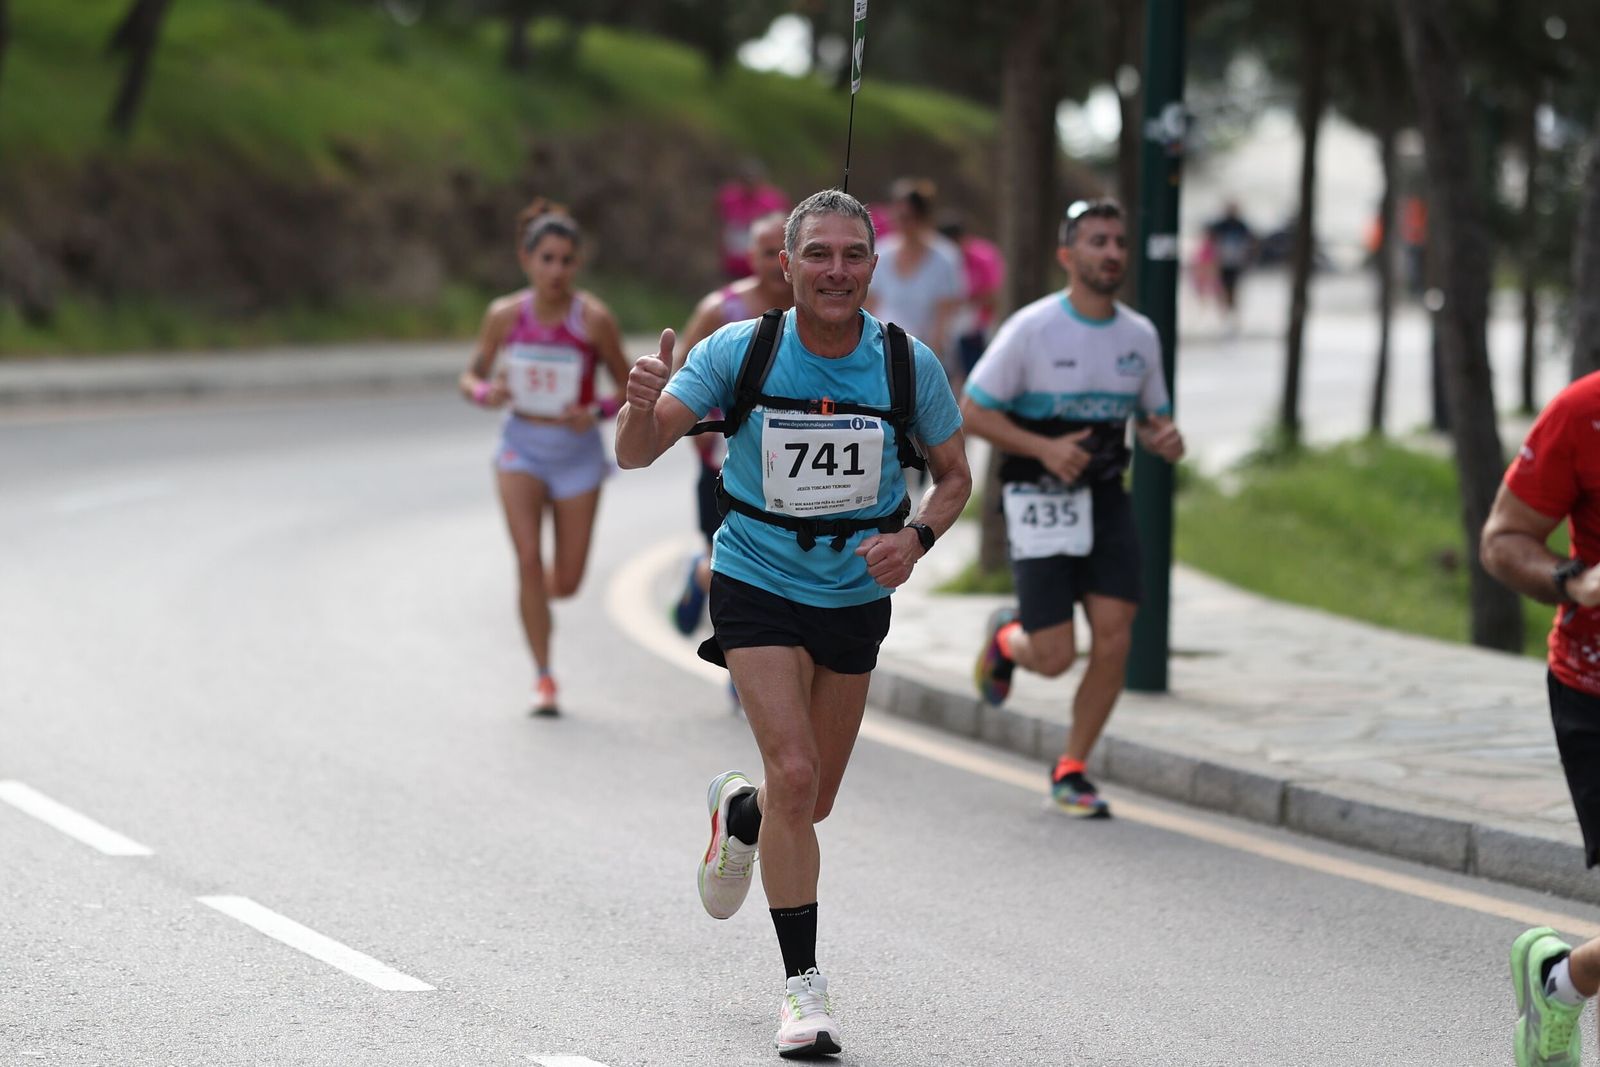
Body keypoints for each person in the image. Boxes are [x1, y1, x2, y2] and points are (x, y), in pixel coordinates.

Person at [616, 189, 971, 1058]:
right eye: (819, 255)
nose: (836, 271)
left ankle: (743, 815)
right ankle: (801, 991)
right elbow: (636, 449)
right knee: (798, 768)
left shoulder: (904, 365)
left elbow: (957, 475)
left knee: (808, 800)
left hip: (854, 589)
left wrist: (917, 537)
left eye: (854, 255)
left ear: (874, 268)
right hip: (757, 576)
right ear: (786, 265)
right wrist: (640, 402)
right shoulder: (740, 350)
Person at [961, 198, 1185, 818]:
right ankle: (1009, 640)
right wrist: (1044, 447)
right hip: (1037, 498)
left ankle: (1072, 768)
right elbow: (971, 411)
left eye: (1118, 241)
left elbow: (1154, 418)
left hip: (1106, 497)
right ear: (1068, 255)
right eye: (1097, 242)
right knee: (1055, 658)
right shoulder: (1032, 329)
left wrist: (1164, 437)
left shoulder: (1140, 336)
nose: (1112, 252)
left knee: (1115, 640)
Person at [458, 199, 630, 716]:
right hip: (521, 448)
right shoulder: (505, 315)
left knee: (567, 581)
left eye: (567, 260)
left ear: (577, 265)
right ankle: (544, 675)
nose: (557, 270)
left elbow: (627, 388)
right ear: (526, 260)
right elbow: (469, 376)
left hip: (576, 454)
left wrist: (596, 411)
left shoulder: (593, 319)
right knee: (529, 561)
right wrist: (486, 392)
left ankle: (537, 605)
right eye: (547, 258)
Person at [1480, 370, 1600, 1066]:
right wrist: (1572, 580)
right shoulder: (1582, 412)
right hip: (1594, 686)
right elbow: (1505, 537)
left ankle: (1561, 979)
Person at [669, 212, 794, 643]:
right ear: (753, 257)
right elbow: (682, 374)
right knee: (727, 562)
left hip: (793, 465)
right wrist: (700, 434)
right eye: (765, 253)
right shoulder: (721, 310)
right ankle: (739, 660)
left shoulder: (820, 306)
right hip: (726, 459)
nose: (777, 266)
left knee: (777, 565)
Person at [864, 178, 966, 384]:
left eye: (908, 216)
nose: (901, 222)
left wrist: (929, 362)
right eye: (898, 215)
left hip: (925, 357)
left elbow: (944, 317)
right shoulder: (881, 252)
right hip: (883, 356)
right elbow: (870, 305)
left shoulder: (945, 258)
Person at [937, 216, 1006, 378]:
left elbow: (992, 296)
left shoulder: (983, 257)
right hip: (948, 325)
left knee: (975, 371)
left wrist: (968, 301)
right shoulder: (940, 259)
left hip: (977, 326)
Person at [717, 160, 790, 280]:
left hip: (763, 266)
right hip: (733, 264)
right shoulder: (728, 198)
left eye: (752, 179)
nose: (749, 184)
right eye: (745, 179)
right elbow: (722, 225)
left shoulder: (773, 200)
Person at [1203, 200, 1257, 326]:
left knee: (1233, 288)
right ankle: (1225, 314)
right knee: (1223, 288)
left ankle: (1231, 313)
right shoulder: (1221, 225)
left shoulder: (1241, 225)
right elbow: (1210, 237)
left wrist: (1249, 257)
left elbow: (1252, 240)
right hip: (1222, 262)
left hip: (1236, 262)